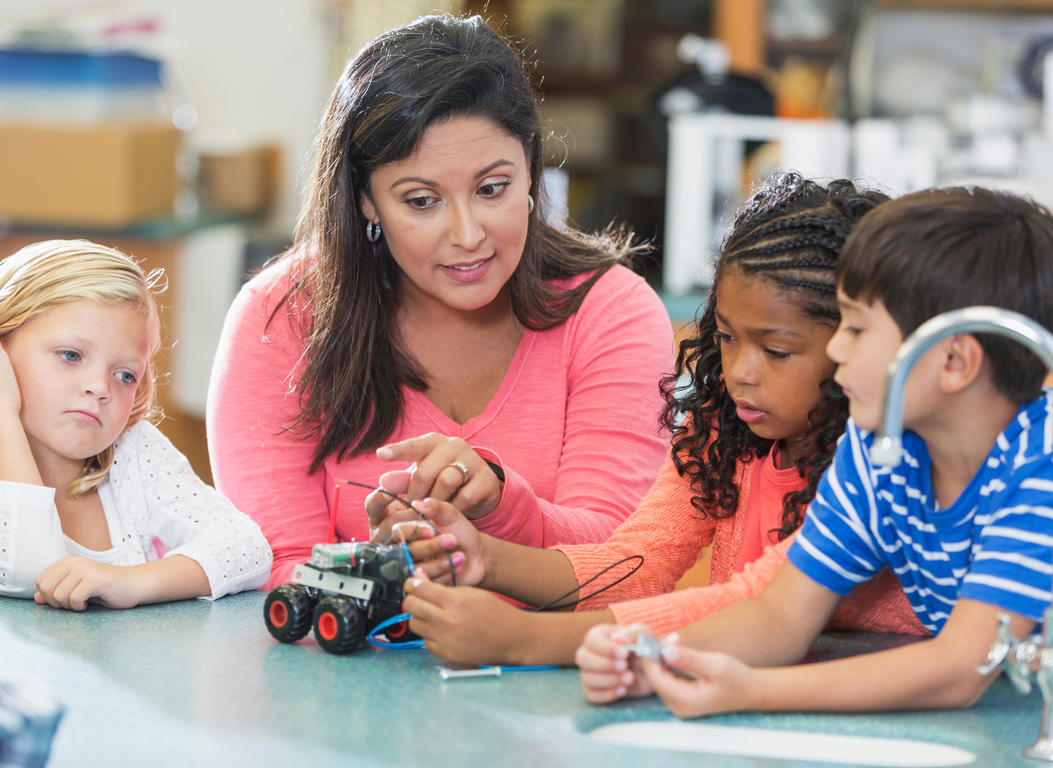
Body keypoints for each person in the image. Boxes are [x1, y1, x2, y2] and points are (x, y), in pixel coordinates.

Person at [206, 14, 675, 590]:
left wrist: (498, 505)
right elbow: (280, 569)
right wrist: (388, 576)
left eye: (492, 189)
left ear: (531, 166)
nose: (468, 234)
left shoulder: (611, 311)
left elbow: (622, 564)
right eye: (422, 200)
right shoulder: (278, 318)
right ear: (366, 200)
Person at [397, 173, 927, 668]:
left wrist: (524, 639)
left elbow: (758, 606)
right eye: (726, 336)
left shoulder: (884, 463)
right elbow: (637, 564)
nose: (741, 372)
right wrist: (486, 558)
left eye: (777, 351)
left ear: (857, 342)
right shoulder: (724, 431)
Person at [576, 186, 1053, 715]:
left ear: (954, 361)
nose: (835, 349)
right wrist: (654, 657)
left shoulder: (1044, 458)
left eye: (856, 328)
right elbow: (781, 615)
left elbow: (964, 666)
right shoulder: (879, 448)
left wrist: (751, 691)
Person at [0, 240, 271, 610]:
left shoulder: (133, 456)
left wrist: (132, 583)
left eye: (125, 375)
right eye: (70, 355)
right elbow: (27, 571)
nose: (100, 387)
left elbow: (248, 547)